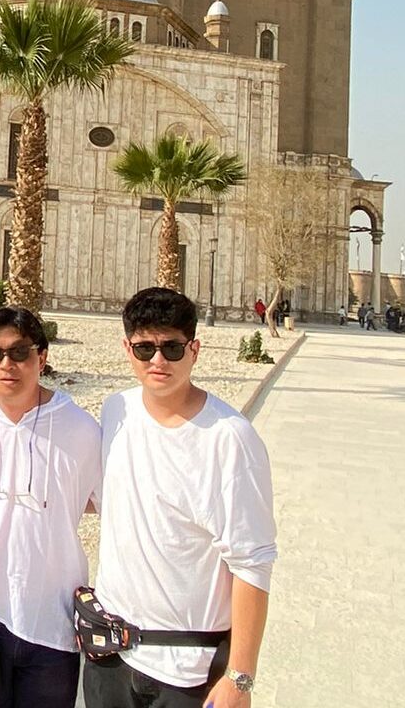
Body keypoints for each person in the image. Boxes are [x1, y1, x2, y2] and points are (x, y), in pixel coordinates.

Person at [83, 287, 277, 708]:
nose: (157, 361)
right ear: (127, 349)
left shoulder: (230, 439)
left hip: (186, 671)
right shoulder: (117, 410)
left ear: (195, 350)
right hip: (109, 656)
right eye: (145, 348)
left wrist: (240, 679)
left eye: (171, 348)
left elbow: (253, 562)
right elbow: (103, 495)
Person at [0, 307, 101, 708]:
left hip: (52, 625)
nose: (6, 364)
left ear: (41, 357)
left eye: (19, 352)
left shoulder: (81, 430)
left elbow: (105, 505)